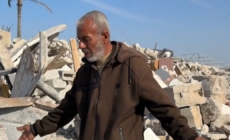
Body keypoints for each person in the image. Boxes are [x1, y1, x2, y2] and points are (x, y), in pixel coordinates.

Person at [17, 10, 207, 140]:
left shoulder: (132, 66)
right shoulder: (84, 73)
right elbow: (65, 110)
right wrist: (35, 129)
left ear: (104, 37)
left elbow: (164, 109)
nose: (81, 46)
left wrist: (190, 136)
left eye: (86, 40)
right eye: (79, 40)